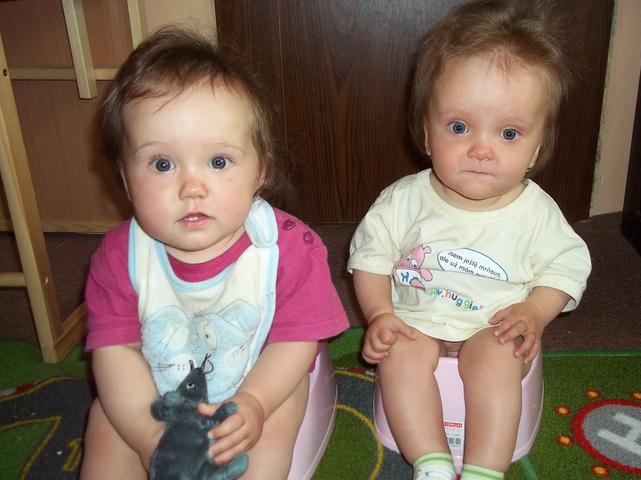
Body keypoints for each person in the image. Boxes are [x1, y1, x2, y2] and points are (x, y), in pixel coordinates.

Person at [80, 27, 349, 480]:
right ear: (124, 179)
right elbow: (116, 351)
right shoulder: (119, 257)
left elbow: (296, 342)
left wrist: (255, 402)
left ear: (260, 170)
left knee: (274, 426)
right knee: (107, 424)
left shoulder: (286, 250)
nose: (192, 187)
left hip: (257, 379)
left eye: (219, 162)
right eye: (162, 164)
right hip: (153, 393)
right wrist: (147, 436)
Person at [348, 1, 592, 479]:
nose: (481, 149)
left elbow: (566, 267)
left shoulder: (536, 213)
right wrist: (380, 315)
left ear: (537, 149)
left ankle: (485, 469)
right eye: (459, 128)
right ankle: (431, 462)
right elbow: (370, 259)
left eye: (509, 133)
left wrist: (533, 312)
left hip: (490, 328)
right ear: (427, 132)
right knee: (399, 353)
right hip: (417, 324)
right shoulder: (403, 201)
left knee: (498, 357)